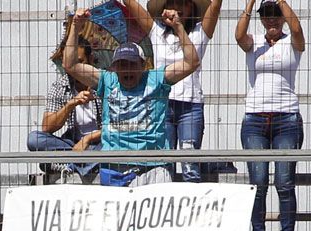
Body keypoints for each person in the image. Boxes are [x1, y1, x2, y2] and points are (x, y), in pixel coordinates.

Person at [63, 6, 200, 188]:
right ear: (114, 68)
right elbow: (70, 65)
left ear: (143, 65)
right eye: (122, 65)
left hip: (154, 167)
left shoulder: (157, 79)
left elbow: (192, 63)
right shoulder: (107, 80)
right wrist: (75, 26)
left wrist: (178, 28)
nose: (127, 69)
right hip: (114, 166)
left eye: (132, 64)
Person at [236, 0, 305, 231]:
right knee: (258, 182)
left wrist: (280, 2)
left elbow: (297, 30)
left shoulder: (292, 43)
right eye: (267, 15)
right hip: (255, 119)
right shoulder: (254, 44)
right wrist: (250, 4)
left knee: (285, 182)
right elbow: (238, 35)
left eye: (276, 15)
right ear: (261, 18)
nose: (272, 19)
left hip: (286, 119)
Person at [137, 0, 223, 183]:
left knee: (190, 165)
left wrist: (178, 27)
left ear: (192, 8)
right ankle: (163, 208)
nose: (178, 8)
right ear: (164, 8)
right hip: (161, 106)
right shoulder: (156, 31)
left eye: (184, 3)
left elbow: (215, 5)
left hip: (190, 106)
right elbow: (129, 4)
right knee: (163, 165)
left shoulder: (200, 31)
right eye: (173, 3)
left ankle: (192, 210)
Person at [28, 34, 103, 180]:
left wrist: (87, 139)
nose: (74, 69)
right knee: (34, 139)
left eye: (79, 62)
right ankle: (85, 164)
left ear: (91, 59)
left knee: (118, 144)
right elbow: (47, 127)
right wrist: (70, 105)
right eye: (70, 63)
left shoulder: (104, 81)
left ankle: (71, 165)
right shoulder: (61, 85)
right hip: (73, 146)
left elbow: (116, 126)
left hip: (102, 142)